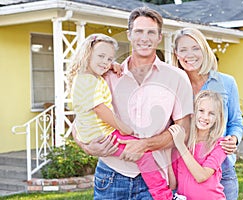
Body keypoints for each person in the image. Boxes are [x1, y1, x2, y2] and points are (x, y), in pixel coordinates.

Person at [72, 7, 193, 200]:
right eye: (138, 31)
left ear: (159, 37)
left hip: (154, 178)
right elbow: (81, 118)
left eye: (151, 32)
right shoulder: (106, 75)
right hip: (111, 175)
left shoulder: (177, 78)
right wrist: (86, 146)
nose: (144, 38)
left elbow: (183, 131)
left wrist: (144, 145)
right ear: (129, 35)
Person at [173, 27, 243, 200]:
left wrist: (233, 139)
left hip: (221, 169)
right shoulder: (174, 86)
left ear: (204, 50)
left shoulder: (225, 83)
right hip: (183, 170)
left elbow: (235, 122)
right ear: (176, 54)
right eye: (183, 49)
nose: (190, 54)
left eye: (195, 48)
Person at [169, 90, 227, 200]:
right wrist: (167, 152)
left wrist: (181, 146)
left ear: (217, 118)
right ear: (193, 113)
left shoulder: (220, 145)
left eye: (211, 113)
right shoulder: (182, 144)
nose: (205, 117)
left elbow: (201, 176)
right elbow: (173, 184)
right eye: (201, 111)